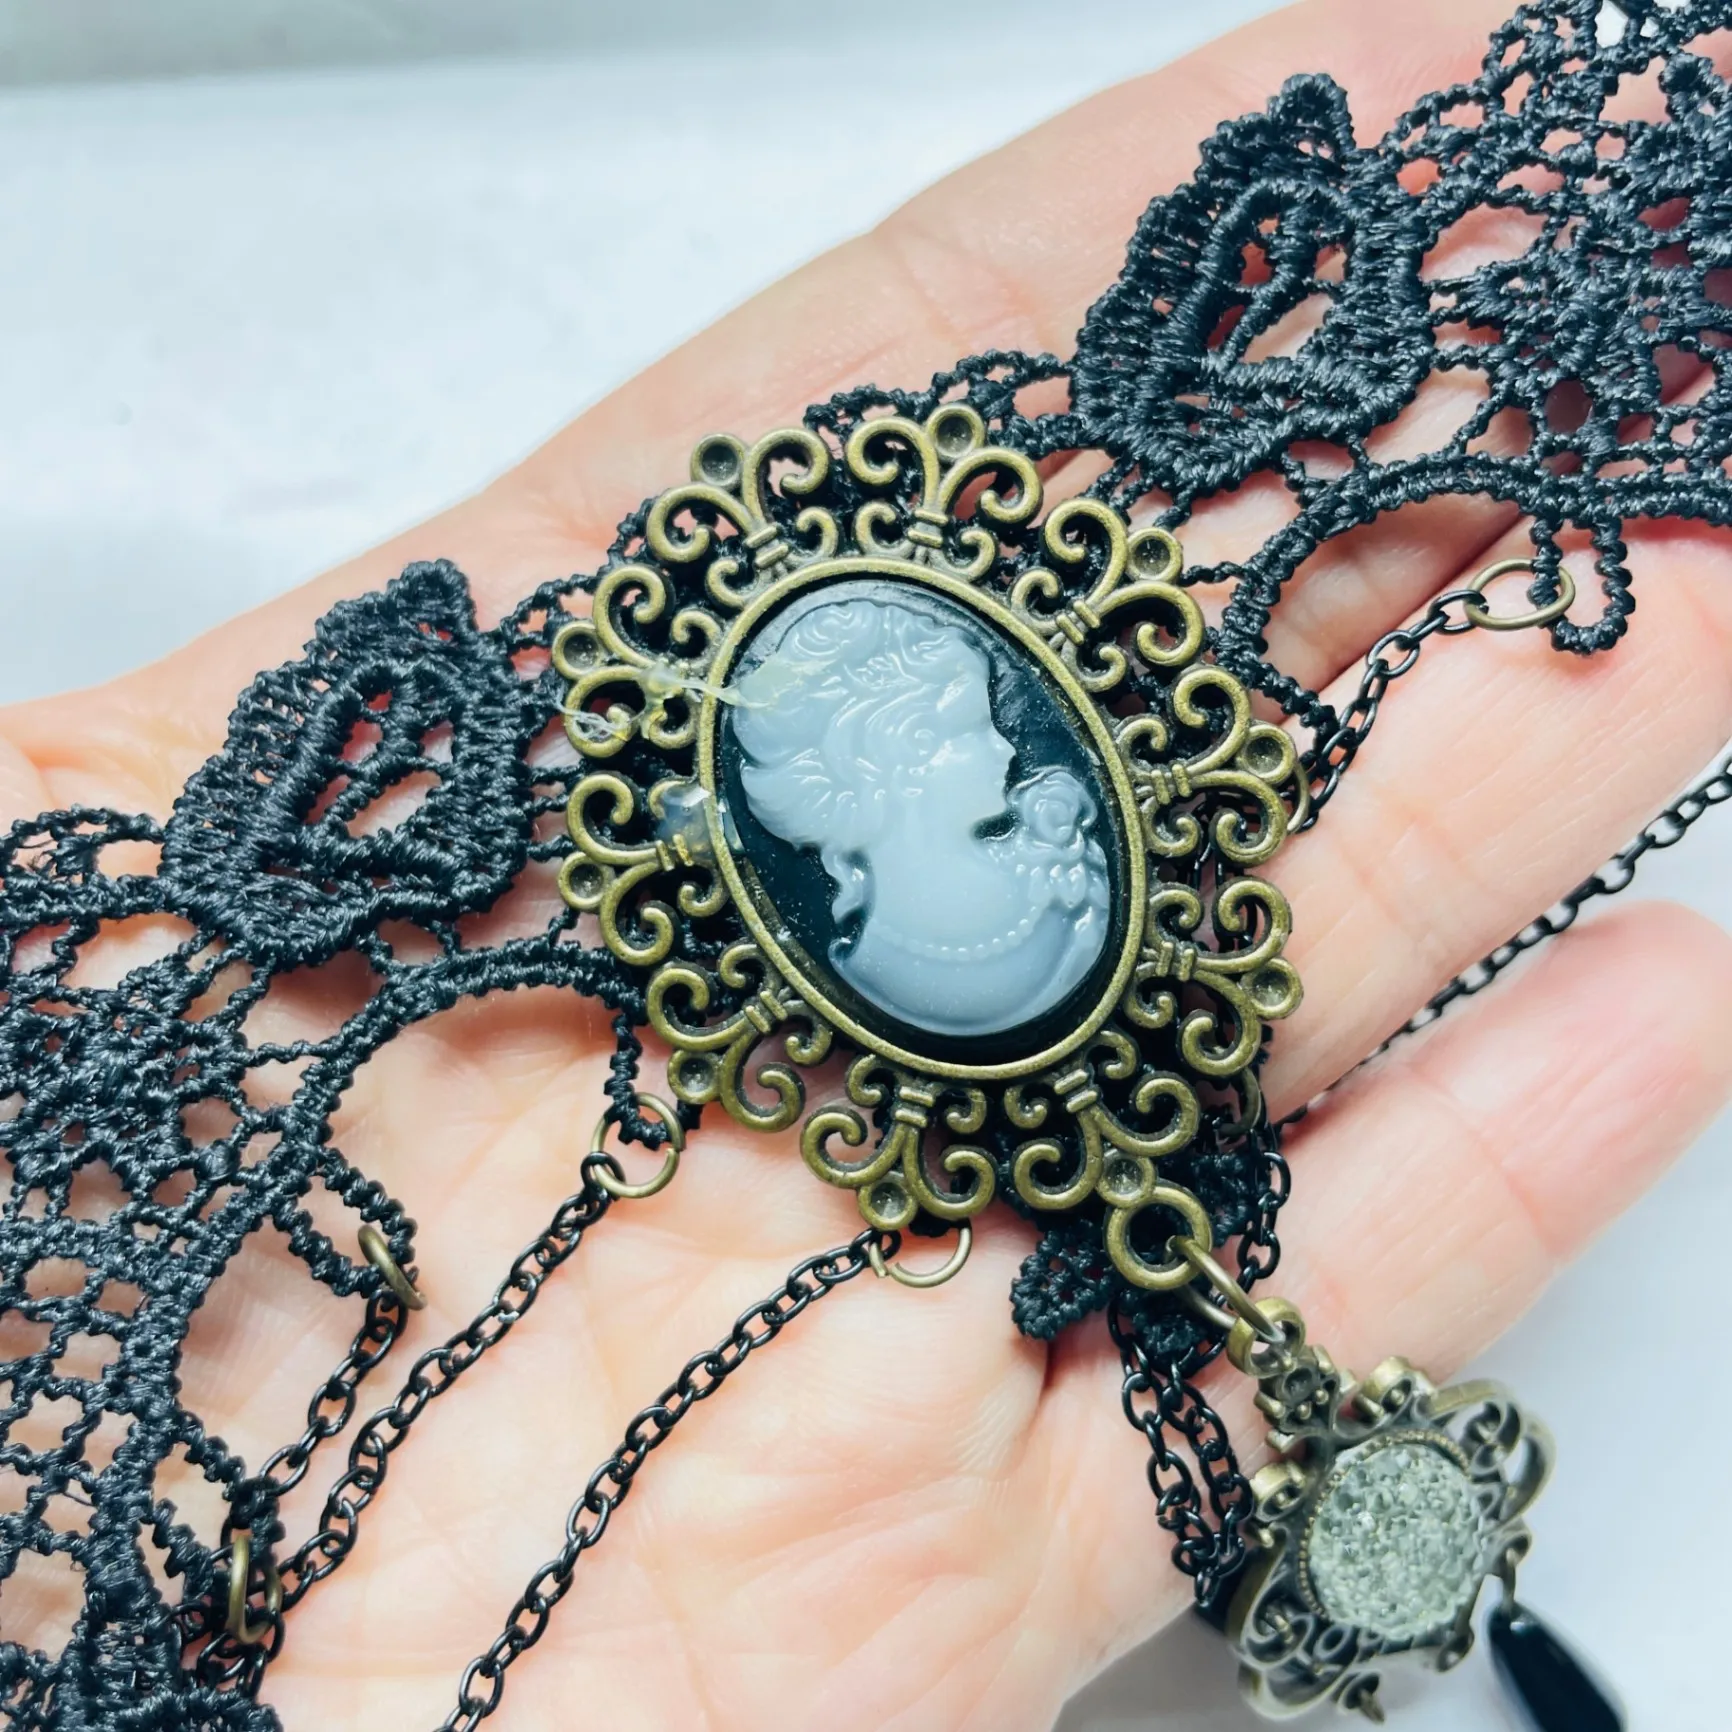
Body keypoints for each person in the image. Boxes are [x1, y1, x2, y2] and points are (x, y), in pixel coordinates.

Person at [2, 2, 1726, 1726]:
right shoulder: (934, 946)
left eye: (1003, 731)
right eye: (977, 746)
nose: (1022, 762)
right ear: (861, 808)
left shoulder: (1052, 896)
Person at [733, 594, 1110, 1036]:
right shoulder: (877, 974)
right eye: (977, 730)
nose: (1007, 749)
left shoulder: (1065, 884)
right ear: (907, 759)